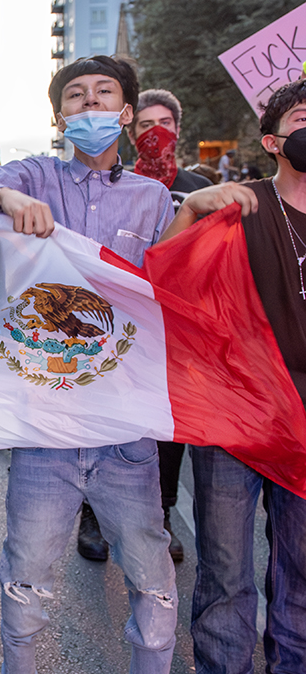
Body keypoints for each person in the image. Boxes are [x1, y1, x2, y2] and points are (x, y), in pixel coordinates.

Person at [0, 54, 177, 674]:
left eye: (103, 95)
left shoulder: (153, 199)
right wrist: (7, 195)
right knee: (24, 580)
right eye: (75, 98)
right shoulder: (36, 176)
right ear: (59, 116)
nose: (89, 106)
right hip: (43, 428)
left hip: (126, 435)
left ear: (125, 112)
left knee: (153, 584)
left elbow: (173, 285)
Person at [158, 78, 306, 674]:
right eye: (303, 117)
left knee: (301, 569)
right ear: (273, 140)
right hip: (236, 416)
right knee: (225, 571)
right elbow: (160, 281)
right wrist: (191, 211)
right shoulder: (238, 204)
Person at [120, 87, 212, 564]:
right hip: (129, 320)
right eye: (145, 127)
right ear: (131, 132)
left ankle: (163, 510)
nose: (155, 134)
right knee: (117, 416)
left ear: (178, 129)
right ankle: (97, 514)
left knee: (167, 427)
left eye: (165, 125)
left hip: (180, 326)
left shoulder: (200, 185)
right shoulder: (122, 184)